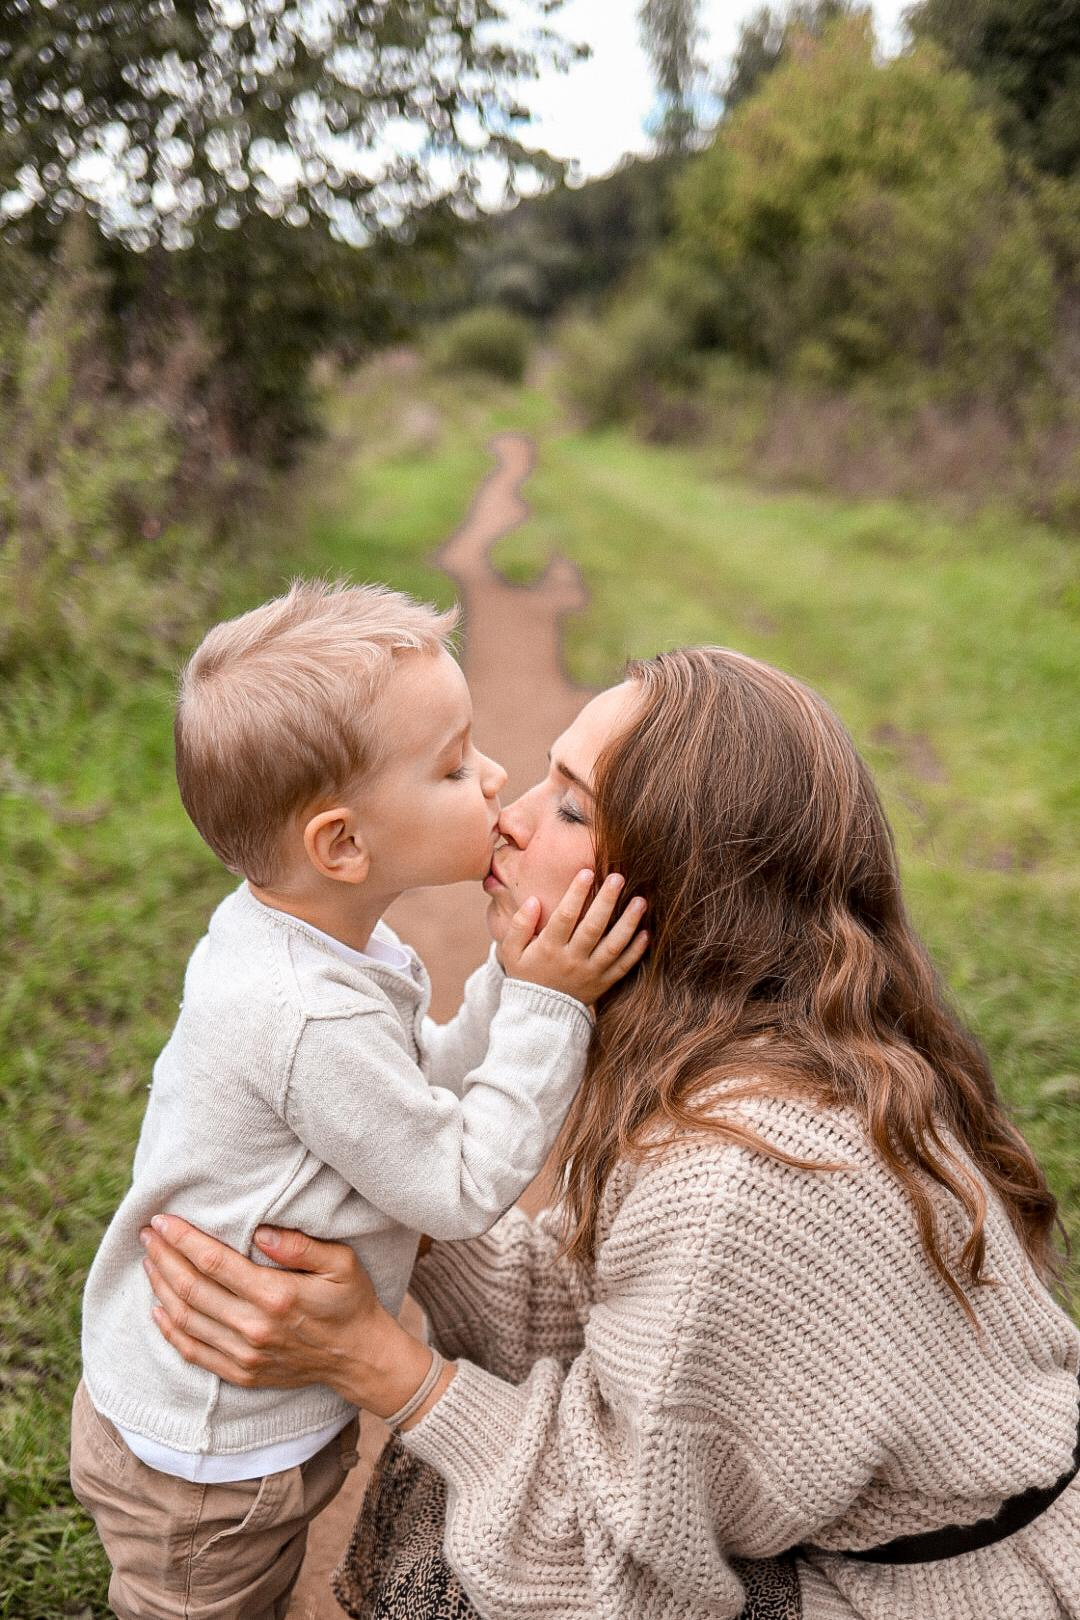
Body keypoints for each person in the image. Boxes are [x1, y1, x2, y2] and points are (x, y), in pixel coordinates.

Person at [140, 647, 1080, 1620]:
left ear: (689, 887)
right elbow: (617, 1319)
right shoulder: (768, 1042)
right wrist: (373, 1207)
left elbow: (617, 1556)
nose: (510, 813)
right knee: (467, 1449)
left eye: (574, 808)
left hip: (936, 1596)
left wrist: (375, 1363)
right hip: (884, 1540)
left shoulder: (736, 1173)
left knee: (455, 1553)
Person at [71, 580, 647, 1620]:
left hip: (225, 1412)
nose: (495, 776)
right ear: (343, 844)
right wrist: (552, 1007)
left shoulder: (303, 939)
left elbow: (416, 1082)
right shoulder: (305, 1013)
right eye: (454, 766)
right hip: (211, 1464)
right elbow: (459, 1181)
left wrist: (513, 980)